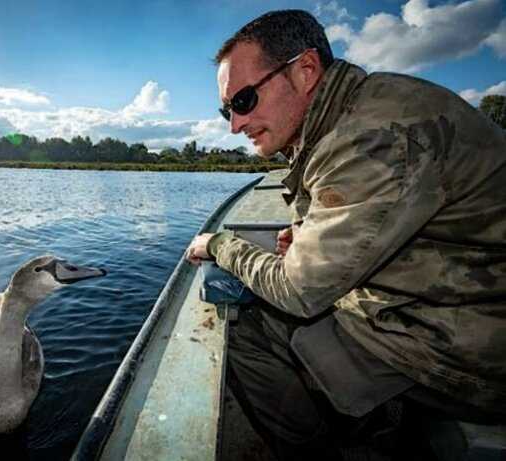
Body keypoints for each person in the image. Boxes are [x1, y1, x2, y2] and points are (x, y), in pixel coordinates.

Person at [185, 9, 506, 460]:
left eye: (243, 102)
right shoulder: (359, 111)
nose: (234, 125)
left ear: (305, 71)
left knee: (246, 331)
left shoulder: (371, 137)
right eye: (226, 111)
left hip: (471, 355)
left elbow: (298, 291)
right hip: (447, 306)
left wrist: (220, 245)